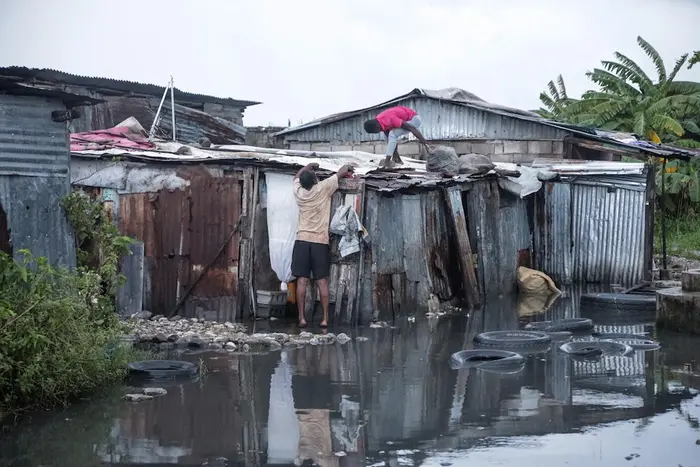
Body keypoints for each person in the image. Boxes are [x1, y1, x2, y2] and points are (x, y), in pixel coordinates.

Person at [292, 161, 354, 328]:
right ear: (314, 181)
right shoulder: (323, 188)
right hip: (320, 241)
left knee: (302, 281)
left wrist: (306, 166)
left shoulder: (298, 193)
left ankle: (301, 318)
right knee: (322, 282)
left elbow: (296, 177)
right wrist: (348, 166)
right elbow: (341, 172)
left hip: (302, 240)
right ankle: (325, 319)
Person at [363, 105, 430, 167]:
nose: (376, 133)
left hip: (414, 119)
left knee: (392, 134)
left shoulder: (390, 119)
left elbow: (411, 128)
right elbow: (391, 141)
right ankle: (397, 159)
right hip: (407, 120)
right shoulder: (380, 123)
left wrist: (425, 143)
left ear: (376, 126)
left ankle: (388, 161)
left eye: (375, 132)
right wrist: (395, 155)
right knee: (387, 137)